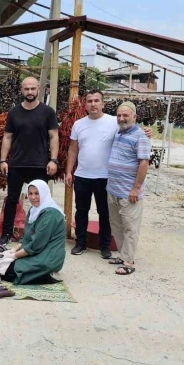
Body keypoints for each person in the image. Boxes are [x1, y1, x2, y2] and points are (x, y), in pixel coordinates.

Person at [64, 90, 152, 258]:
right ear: (85, 104)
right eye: (89, 101)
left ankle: (104, 245)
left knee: (105, 213)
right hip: (83, 175)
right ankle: (80, 242)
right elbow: (72, 149)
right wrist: (69, 171)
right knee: (81, 210)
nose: (93, 104)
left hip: (105, 177)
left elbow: (133, 130)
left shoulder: (114, 121)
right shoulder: (79, 124)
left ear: (103, 103)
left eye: (97, 100)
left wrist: (146, 131)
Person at [0, 77, 59, 246]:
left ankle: (38, 235)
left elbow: (54, 136)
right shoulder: (14, 113)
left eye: (33, 88)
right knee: (12, 199)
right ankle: (7, 233)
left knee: (40, 200)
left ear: (39, 88)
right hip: (17, 163)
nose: (30, 92)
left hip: (39, 164)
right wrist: (3, 160)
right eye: (26, 89)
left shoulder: (47, 112)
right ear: (21, 90)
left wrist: (53, 160)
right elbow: (7, 137)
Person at [106, 102, 151, 276]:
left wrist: (136, 188)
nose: (121, 118)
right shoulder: (119, 132)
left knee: (130, 227)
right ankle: (122, 254)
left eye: (125, 115)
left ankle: (128, 262)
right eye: (119, 115)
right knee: (116, 225)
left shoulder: (141, 136)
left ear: (134, 117)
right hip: (113, 189)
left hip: (129, 192)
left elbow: (144, 163)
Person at [2, 180, 65, 285]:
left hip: (49, 256)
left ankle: (44, 274)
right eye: (30, 193)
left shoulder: (50, 214)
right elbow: (26, 237)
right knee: (2, 266)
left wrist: (14, 256)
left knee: (8, 272)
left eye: (37, 193)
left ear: (44, 193)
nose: (33, 197)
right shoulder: (34, 210)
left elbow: (36, 245)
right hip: (38, 251)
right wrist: (13, 250)